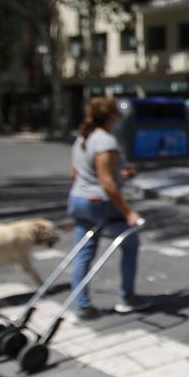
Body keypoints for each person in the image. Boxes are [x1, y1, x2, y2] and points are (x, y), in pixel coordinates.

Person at [67, 97, 150, 320]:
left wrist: (118, 174)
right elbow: (107, 183)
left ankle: (82, 305)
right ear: (112, 117)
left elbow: (76, 174)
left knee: (83, 253)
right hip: (99, 202)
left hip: (78, 199)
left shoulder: (83, 138)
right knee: (131, 242)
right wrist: (129, 212)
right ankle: (127, 297)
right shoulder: (106, 142)